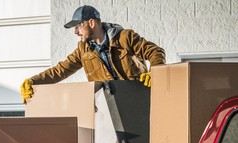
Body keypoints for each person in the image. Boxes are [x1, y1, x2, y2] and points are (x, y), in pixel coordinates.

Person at [20, 5, 166, 103]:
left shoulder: (125, 38)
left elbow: (155, 51)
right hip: (110, 106)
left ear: (91, 23)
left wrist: (155, 72)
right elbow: (60, 70)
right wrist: (34, 81)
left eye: (78, 26)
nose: (75, 32)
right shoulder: (83, 50)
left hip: (138, 99)